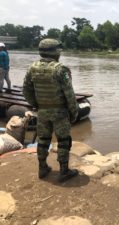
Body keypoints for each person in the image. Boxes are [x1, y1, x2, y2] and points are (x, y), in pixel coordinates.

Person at [23, 38, 79, 182]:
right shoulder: (61, 69)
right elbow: (70, 95)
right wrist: (74, 113)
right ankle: (64, 171)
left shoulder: (32, 68)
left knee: (43, 140)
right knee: (64, 141)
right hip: (60, 112)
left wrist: (36, 104)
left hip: (42, 112)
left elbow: (26, 91)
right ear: (56, 52)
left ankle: (42, 168)